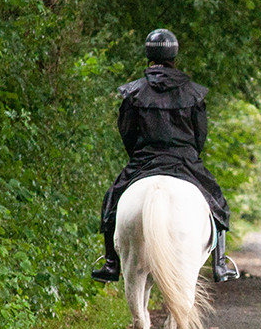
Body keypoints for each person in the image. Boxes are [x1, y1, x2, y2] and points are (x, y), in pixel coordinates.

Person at [91, 28, 239, 284]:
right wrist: (188, 154)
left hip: (144, 160)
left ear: (148, 55)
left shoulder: (133, 92)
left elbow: (126, 132)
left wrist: (140, 154)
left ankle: (111, 263)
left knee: (111, 203)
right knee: (218, 203)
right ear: (175, 54)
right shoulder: (193, 93)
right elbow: (199, 135)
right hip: (184, 161)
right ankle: (221, 263)